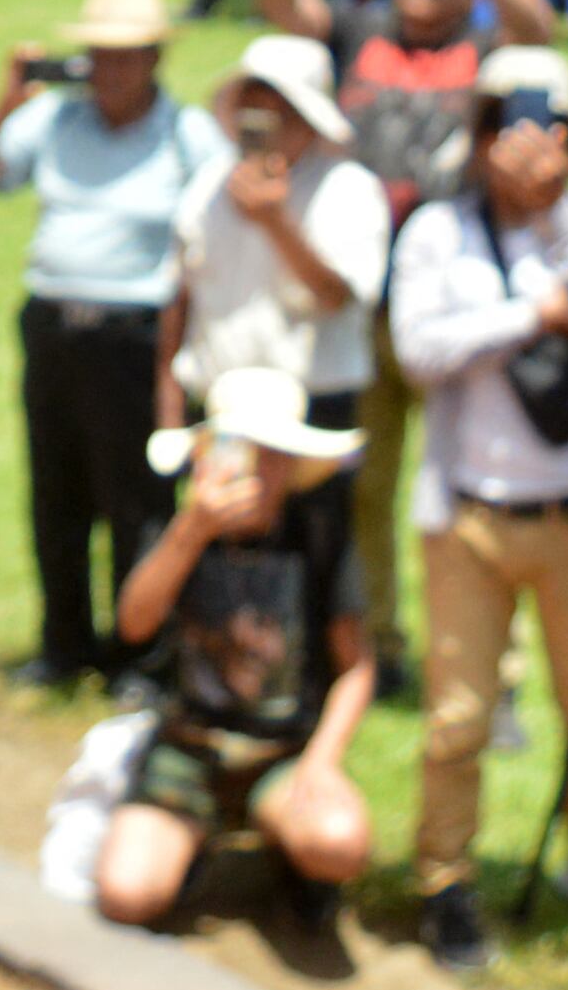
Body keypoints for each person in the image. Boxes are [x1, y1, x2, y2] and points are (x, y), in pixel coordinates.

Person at [252, 0, 562, 685]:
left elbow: (540, 29)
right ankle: (381, 643)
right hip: (360, 294)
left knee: (475, 484)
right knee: (368, 484)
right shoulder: (357, 30)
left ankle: (494, 665)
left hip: (457, 299)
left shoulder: (487, 51)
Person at [384, 46, 568, 971]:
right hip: (468, 515)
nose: (525, 144)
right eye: (506, 122)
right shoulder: (435, 233)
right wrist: (531, 319)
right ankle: (445, 882)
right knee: (457, 713)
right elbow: (419, 350)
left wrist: (554, 224)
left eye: (546, 124)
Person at [0, 0, 208, 688]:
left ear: (156, 60)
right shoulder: (58, 123)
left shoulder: (185, 134)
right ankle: (63, 644)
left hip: (135, 332)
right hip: (53, 326)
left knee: (136, 499)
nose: (110, 71)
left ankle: (143, 656)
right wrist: (9, 101)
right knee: (56, 491)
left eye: (126, 57)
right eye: (99, 55)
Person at [96, 367, 379, 938]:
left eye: (272, 454)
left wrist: (322, 760)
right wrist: (191, 531)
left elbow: (356, 668)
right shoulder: (179, 527)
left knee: (338, 842)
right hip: (187, 751)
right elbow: (133, 624)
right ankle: (193, 849)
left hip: (281, 752)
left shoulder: (318, 533)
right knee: (128, 893)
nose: (256, 468)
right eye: (240, 449)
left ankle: (294, 862)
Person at [154, 32, 393, 441]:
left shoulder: (350, 191)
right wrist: (170, 416)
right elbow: (180, 300)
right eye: (254, 105)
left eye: (282, 110)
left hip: (314, 409)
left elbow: (337, 296)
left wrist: (275, 221)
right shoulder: (207, 186)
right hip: (218, 405)